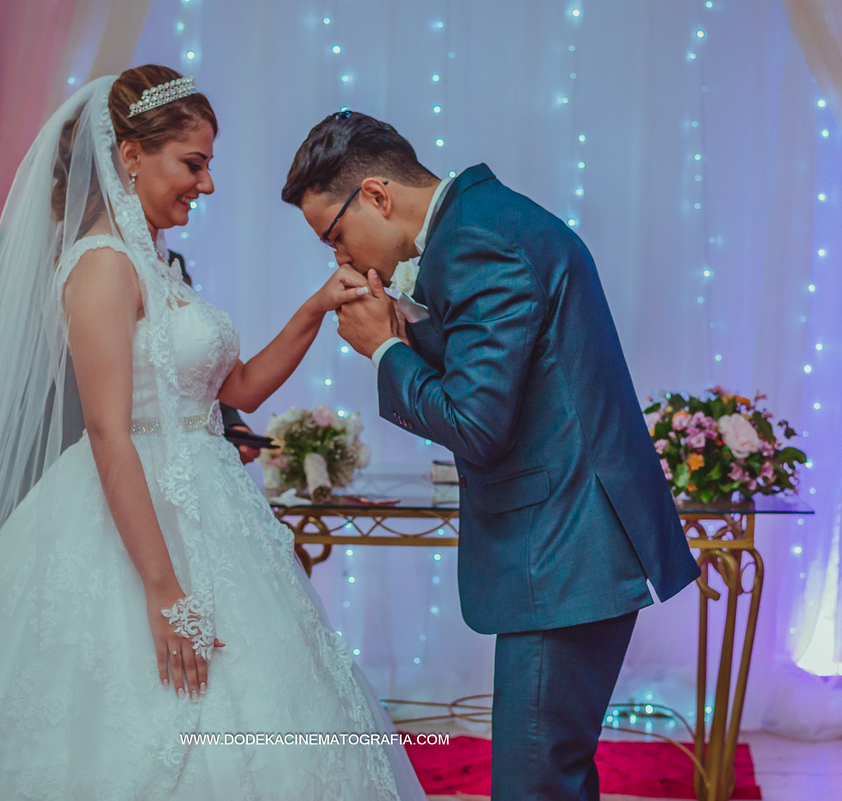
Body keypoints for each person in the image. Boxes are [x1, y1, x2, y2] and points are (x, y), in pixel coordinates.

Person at [0, 68, 425, 800]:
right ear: (130, 154)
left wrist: (317, 307)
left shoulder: (159, 266)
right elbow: (108, 432)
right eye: (194, 163)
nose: (209, 184)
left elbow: (241, 387)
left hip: (212, 507)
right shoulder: (101, 267)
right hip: (131, 517)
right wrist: (165, 592)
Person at [283, 110, 701, 801]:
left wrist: (384, 348)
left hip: (565, 549)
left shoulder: (476, 239)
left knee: (533, 784)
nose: (341, 258)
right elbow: (514, 368)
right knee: (553, 775)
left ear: (378, 196)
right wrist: (408, 327)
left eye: (334, 235)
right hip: (572, 543)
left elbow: (477, 423)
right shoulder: (485, 220)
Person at [0, 237, 263, 463]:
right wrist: (11, 334)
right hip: (22, 479)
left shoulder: (159, 260)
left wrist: (231, 422)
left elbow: (182, 354)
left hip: (143, 468)